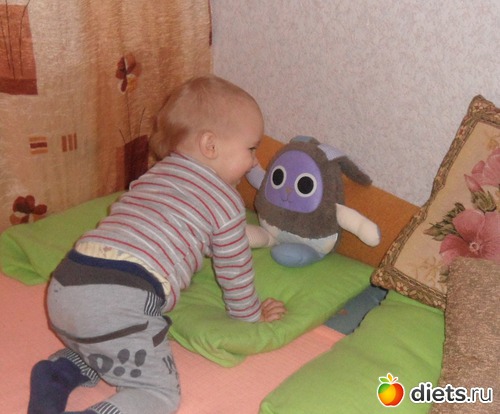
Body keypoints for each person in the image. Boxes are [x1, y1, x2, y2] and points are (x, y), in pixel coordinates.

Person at [28, 75, 287, 414]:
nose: (254, 161)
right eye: (251, 149)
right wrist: (251, 315)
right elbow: (235, 270)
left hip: (67, 285)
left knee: (105, 343)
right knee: (157, 394)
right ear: (210, 146)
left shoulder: (155, 176)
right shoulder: (224, 201)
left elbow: (171, 231)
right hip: (120, 299)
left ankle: (58, 373)